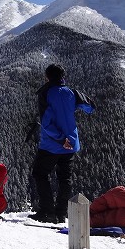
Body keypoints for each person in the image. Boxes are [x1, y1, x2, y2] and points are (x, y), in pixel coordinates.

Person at [30, 64, 92, 223]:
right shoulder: (72, 92)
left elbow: (45, 122)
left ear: (47, 77)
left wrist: (59, 139)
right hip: (71, 144)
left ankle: (47, 212)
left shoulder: (45, 93)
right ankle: (61, 213)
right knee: (65, 179)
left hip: (52, 144)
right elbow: (90, 107)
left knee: (40, 174)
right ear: (63, 77)